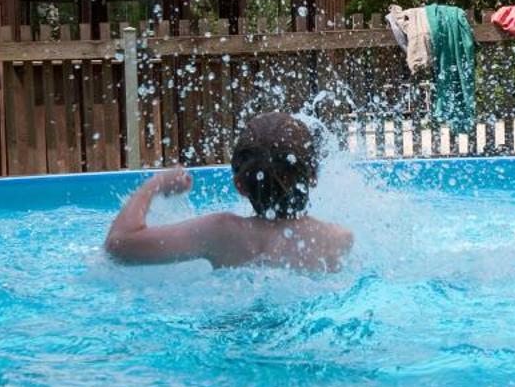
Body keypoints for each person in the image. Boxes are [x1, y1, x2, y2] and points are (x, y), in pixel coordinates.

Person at [104, 111, 352, 272]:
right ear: (313, 177)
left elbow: (118, 246)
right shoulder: (338, 240)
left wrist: (155, 184)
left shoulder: (220, 232)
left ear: (239, 186)